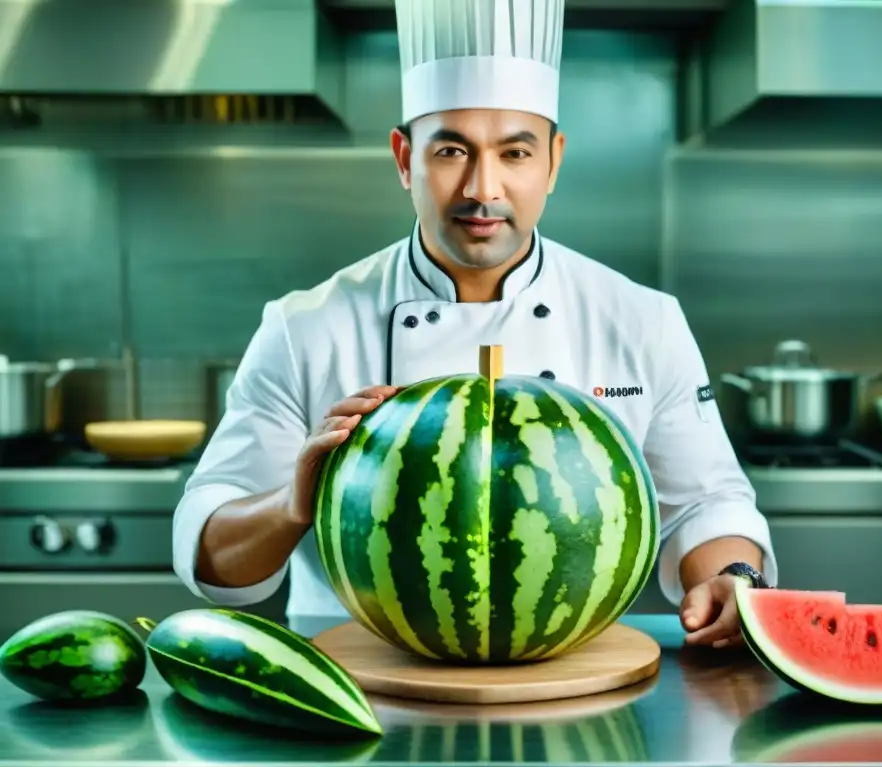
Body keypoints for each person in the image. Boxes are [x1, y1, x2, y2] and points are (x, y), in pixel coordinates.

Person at [172, 0, 778, 649]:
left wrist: (734, 577)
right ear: (405, 159)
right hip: (356, 671)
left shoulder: (642, 320)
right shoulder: (306, 328)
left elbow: (705, 502)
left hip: (575, 664)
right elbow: (209, 554)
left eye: (515, 153)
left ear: (553, 160)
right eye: (452, 150)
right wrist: (293, 505)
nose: (482, 188)